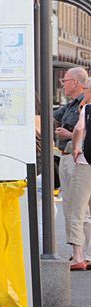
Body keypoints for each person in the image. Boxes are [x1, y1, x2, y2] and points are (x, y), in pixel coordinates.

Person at [69, 77, 91, 271]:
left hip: (86, 164)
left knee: (78, 210)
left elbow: (78, 128)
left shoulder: (87, 109)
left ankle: (78, 257)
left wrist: (76, 147)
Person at [55, 67, 89, 189]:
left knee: (77, 203)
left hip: (78, 158)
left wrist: (69, 135)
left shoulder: (85, 105)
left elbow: (84, 131)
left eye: (64, 81)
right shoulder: (72, 104)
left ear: (74, 82)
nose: (62, 84)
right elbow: (51, 115)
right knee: (71, 201)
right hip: (67, 156)